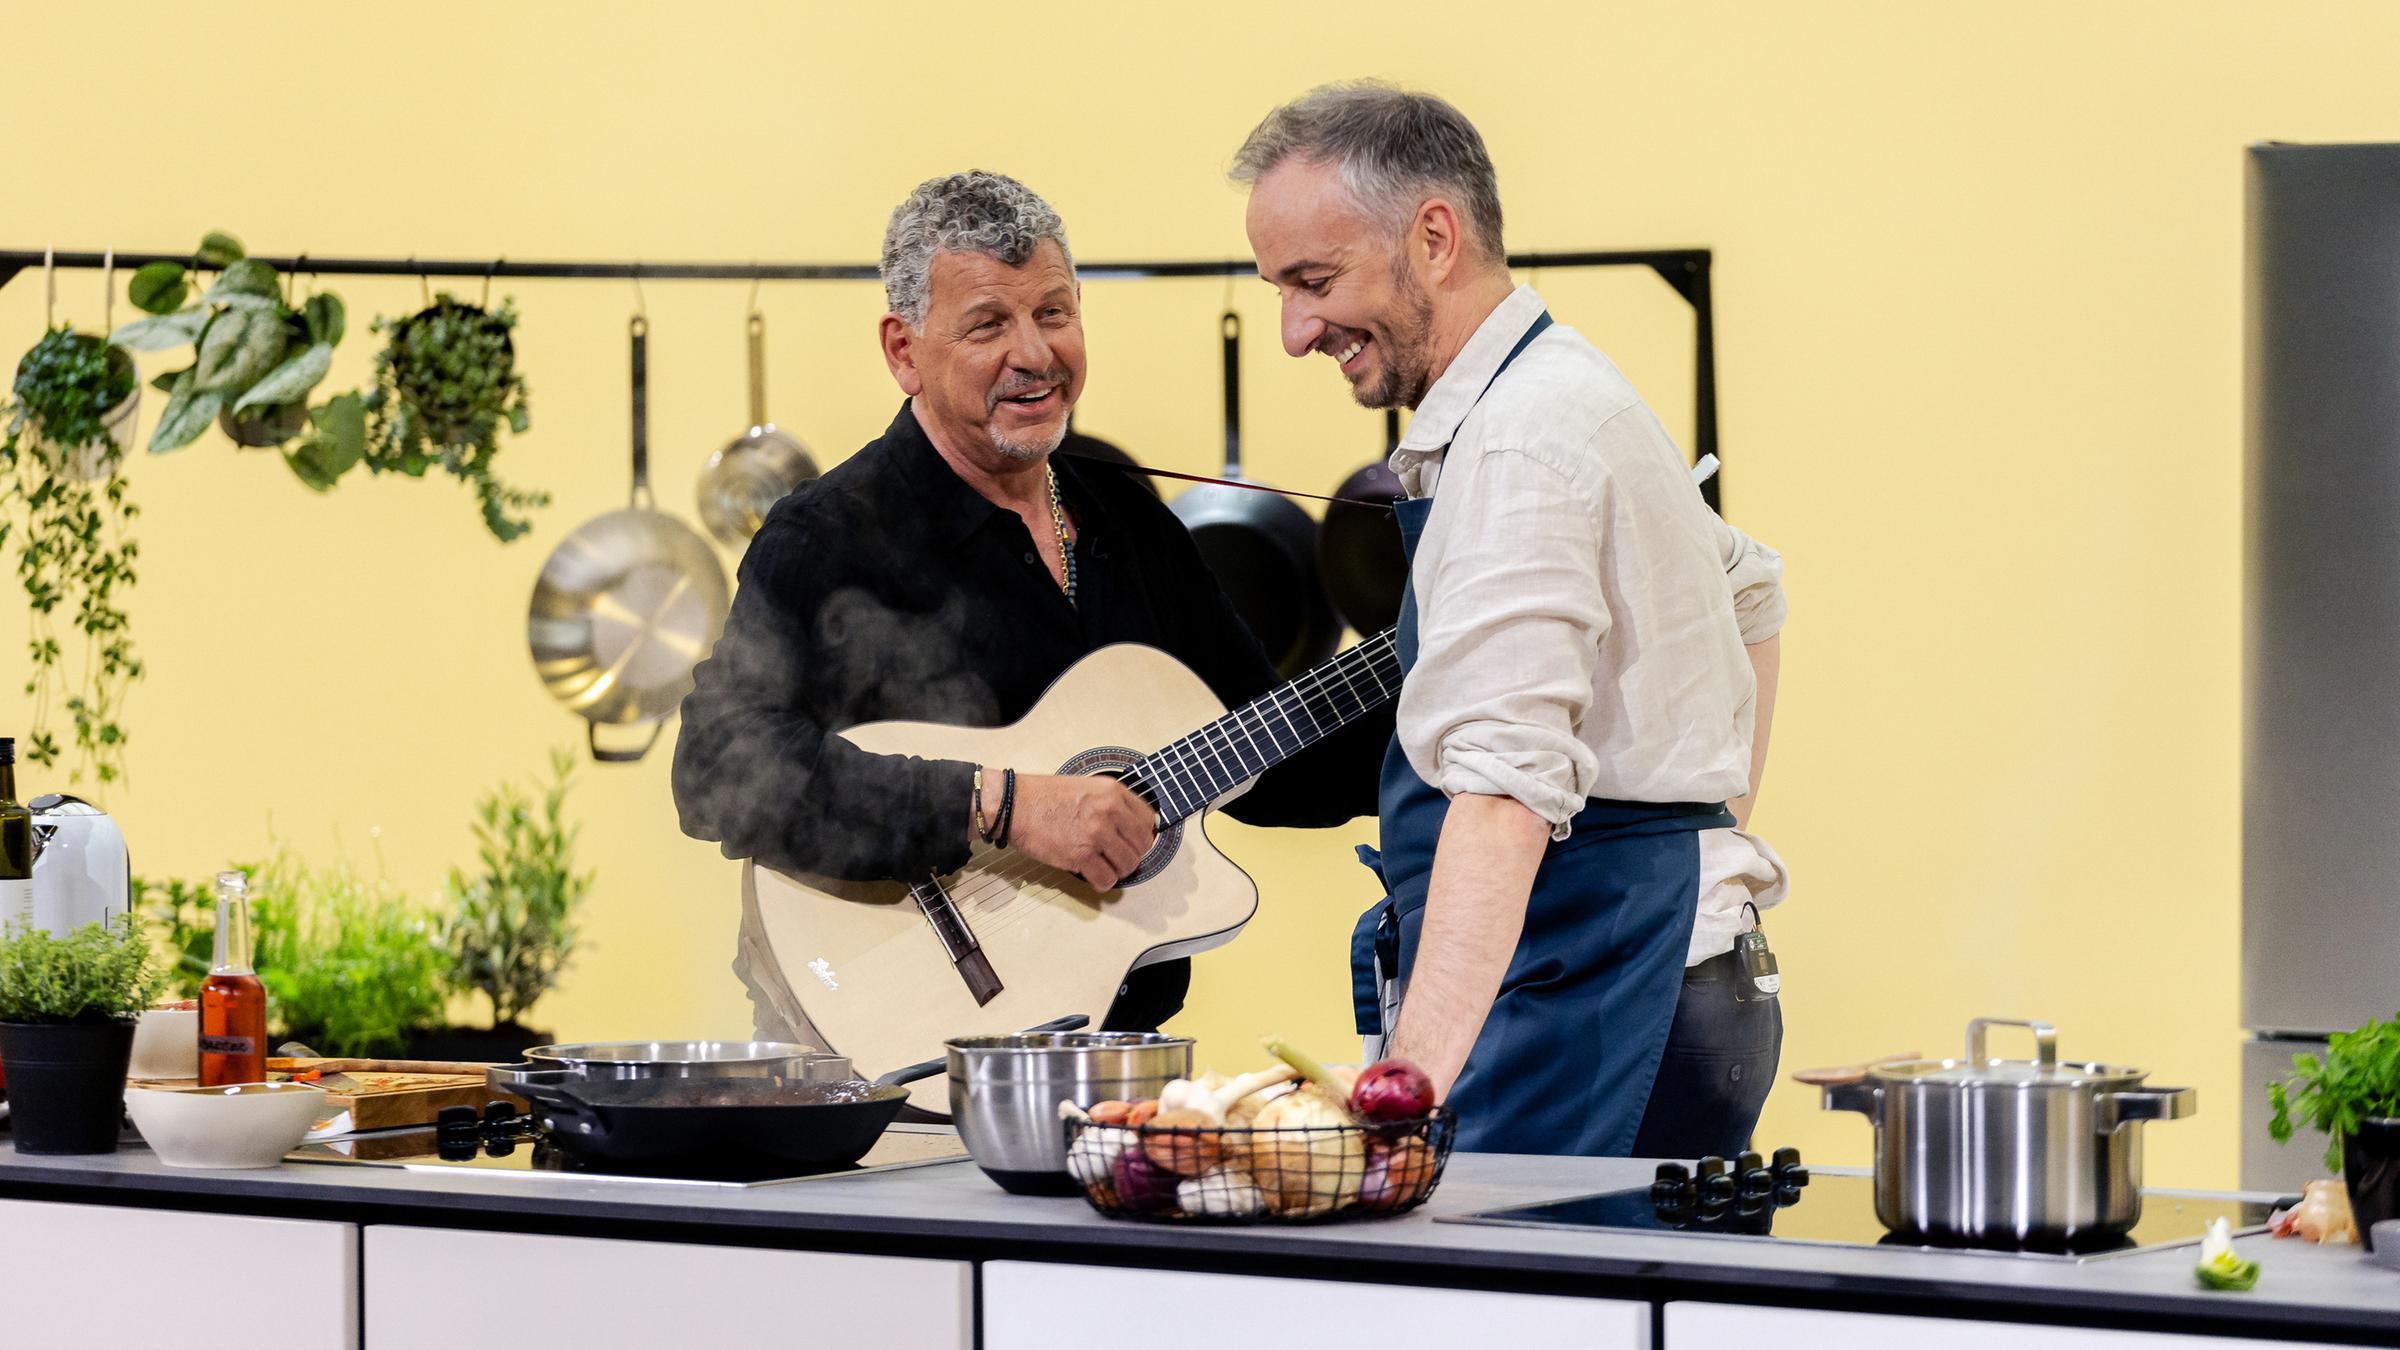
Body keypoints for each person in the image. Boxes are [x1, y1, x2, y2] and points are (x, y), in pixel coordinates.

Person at [672, 171, 1387, 1046]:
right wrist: (1002, 806)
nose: (1036, 354)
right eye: (988, 324)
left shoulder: (1126, 523)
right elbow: (717, 770)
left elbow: (1266, 753)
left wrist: (1455, 701)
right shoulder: (829, 533)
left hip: (1119, 1052)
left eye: (1054, 313)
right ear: (904, 350)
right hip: (877, 1053)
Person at [1232, 84, 1791, 1158]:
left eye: (1315, 282)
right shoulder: (1566, 394)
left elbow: (1500, 799)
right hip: (1662, 972)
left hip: (1598, 997)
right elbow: (1752, 588)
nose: (1297, 331)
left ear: (1433, 237)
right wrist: (1705, 839)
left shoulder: (1522, 445)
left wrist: (1404, 1090)